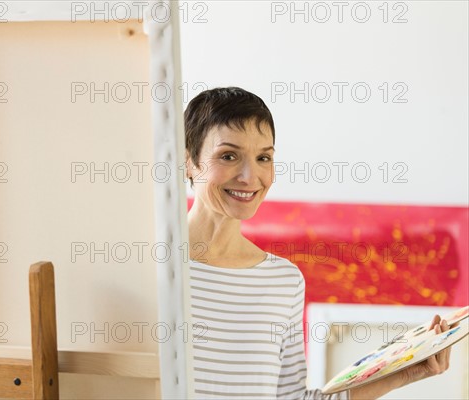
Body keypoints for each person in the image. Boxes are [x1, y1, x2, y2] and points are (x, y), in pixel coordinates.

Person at [183, 87, 452, 399]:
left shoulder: (282, 280)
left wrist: (405, 371)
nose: (249, 175)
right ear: (189, 161)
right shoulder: (152, 265)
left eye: (263, 158)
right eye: (228, 156)